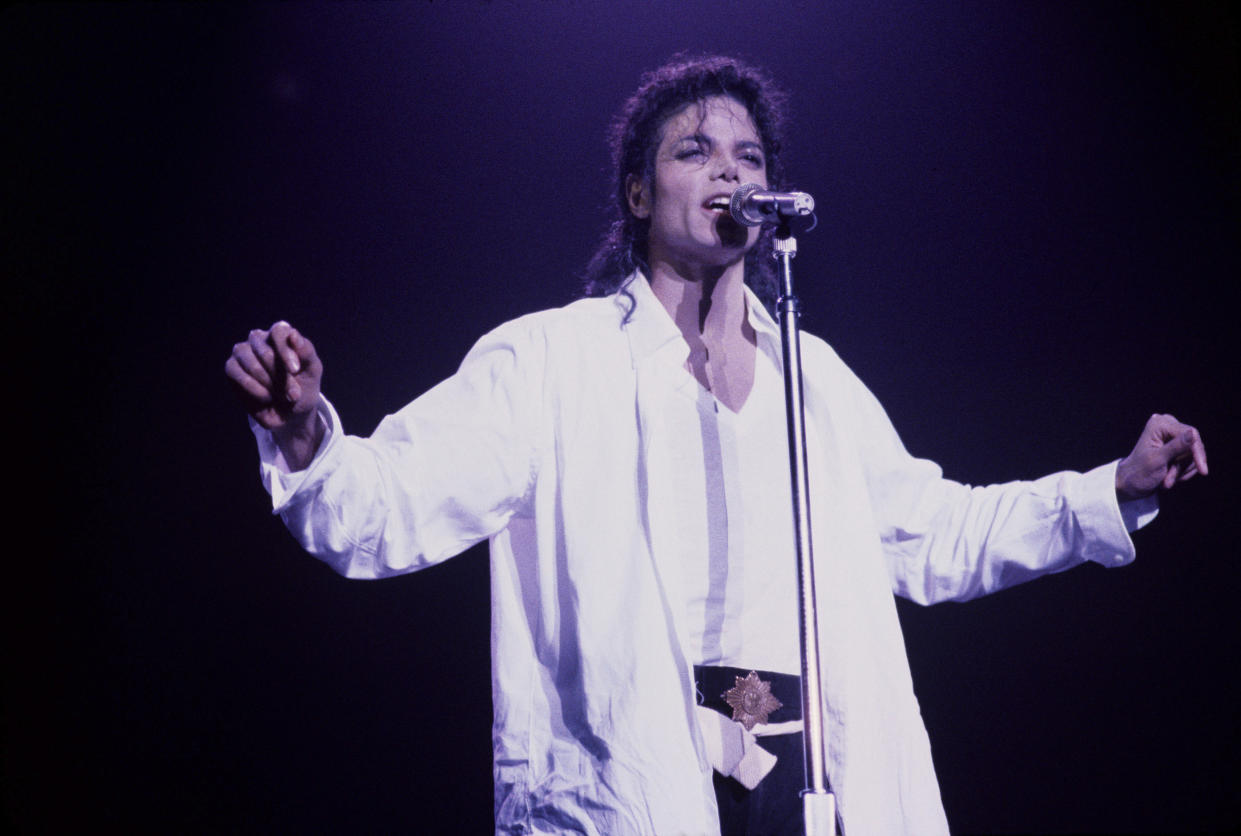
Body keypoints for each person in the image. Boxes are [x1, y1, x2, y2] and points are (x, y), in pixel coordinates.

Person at [226, 56, 1207, 836]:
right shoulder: (549, 361)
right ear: (638, 194)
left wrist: (1106, 490)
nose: (729, 170)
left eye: (747, 155)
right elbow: (387, 505)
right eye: (694, 149)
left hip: (810, 777)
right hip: (639, 779)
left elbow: (933, 532)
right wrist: (308, 430)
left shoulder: (806, 376)